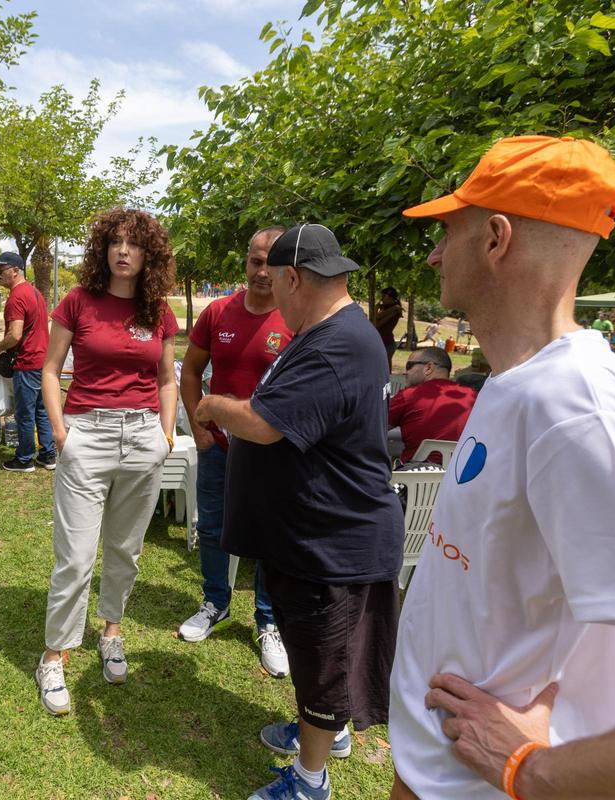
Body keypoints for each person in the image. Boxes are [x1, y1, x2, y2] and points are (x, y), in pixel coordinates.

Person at [391, 135, 615, 800]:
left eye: (448, 230)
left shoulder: (575, 400)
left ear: (496, 238)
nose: (435, 252)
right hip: (439, 771)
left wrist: (535, 772)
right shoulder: (519, 384)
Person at [197, 223, 404, 800]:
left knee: (324, 660)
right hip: (309, 535)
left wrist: (213, 402)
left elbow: (263, 425)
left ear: (293, 278)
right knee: (316, 657)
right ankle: (323, 732)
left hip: (331, 543)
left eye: (276, 283)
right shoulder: (328, 331)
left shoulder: (337, 343)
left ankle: (311, 780)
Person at [34, 208, 178, 716]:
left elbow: (166, 379)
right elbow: (50, 370)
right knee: (75, 555)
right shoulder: (77, 301)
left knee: (126, 548)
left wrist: (165, 433)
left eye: (134, 245)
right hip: (87, 434)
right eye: (115, 242)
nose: (123, 251)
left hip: (142, 438)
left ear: (148, 255)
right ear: (103, 249)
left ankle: (111, 632)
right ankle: (54, 654)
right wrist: (59, 432)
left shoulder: (157, 311)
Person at [176, 225, 292, 678]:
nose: (262, 272)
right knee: (213, 528)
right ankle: (215, 602)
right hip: (220, 449)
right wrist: (200, 429)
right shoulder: (217, 313)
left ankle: (267, 620)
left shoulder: (295, 317)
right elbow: (189, 373)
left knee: (270, 537)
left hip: (273, 453)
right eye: (255, 261)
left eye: (272, 263)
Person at [0, 252, 55, 471]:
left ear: (15, 270)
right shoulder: (34, 292)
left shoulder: (16, 297)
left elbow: (15, 335)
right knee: (41, 411)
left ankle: (25, 459)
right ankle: (48, 455)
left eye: (1, 270)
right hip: (42, 360)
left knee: (24, 413)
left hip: (27, 362)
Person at [388, 347, 476, 465]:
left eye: (409, 366)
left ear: (428, 368)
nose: (405, 371)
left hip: (413, 478)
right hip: (460, 476)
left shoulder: (410, 395)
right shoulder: (474, 397)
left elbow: (373, 428)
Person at [372, 286, 403, 366]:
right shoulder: (389, 308)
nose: (381, 299)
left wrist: (375, 309)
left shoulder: (395, 310)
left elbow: (377, 324)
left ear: (390, 298)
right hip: (383, 343)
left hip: (387, 344)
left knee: (385, 370)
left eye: (383, 297)